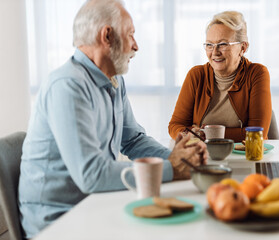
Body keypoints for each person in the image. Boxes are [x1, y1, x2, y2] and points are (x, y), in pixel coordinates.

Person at [18, 0, 207, 238]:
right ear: (107, 36)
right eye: (130, 35)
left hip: (93, 204)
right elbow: (92, 175)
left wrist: (180, 158)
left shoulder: (114, 80)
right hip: (58, 221)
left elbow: (134, 141)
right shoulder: (67, 86)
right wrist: (171, 168)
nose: (136, 46)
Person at [168, 11, 272, 142]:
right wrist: (187, 134)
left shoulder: (257, 73)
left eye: (223, 44)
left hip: (245, 157)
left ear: (243, 48)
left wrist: (207, 134)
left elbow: (257, 133)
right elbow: (175, 125)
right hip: (203, 156)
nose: (215, 52)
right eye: (209, 45)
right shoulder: (196, 75)